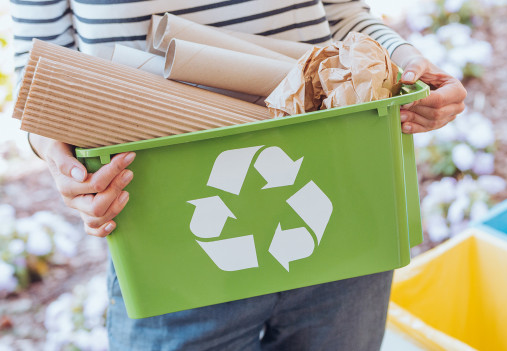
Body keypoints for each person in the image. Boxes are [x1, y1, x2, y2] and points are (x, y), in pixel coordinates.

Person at [11, 1, 466, 349]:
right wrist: (59, 160)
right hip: (169, 246)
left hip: (340, 220)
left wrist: (410, 65)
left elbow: (342, 16)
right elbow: (42, 71)